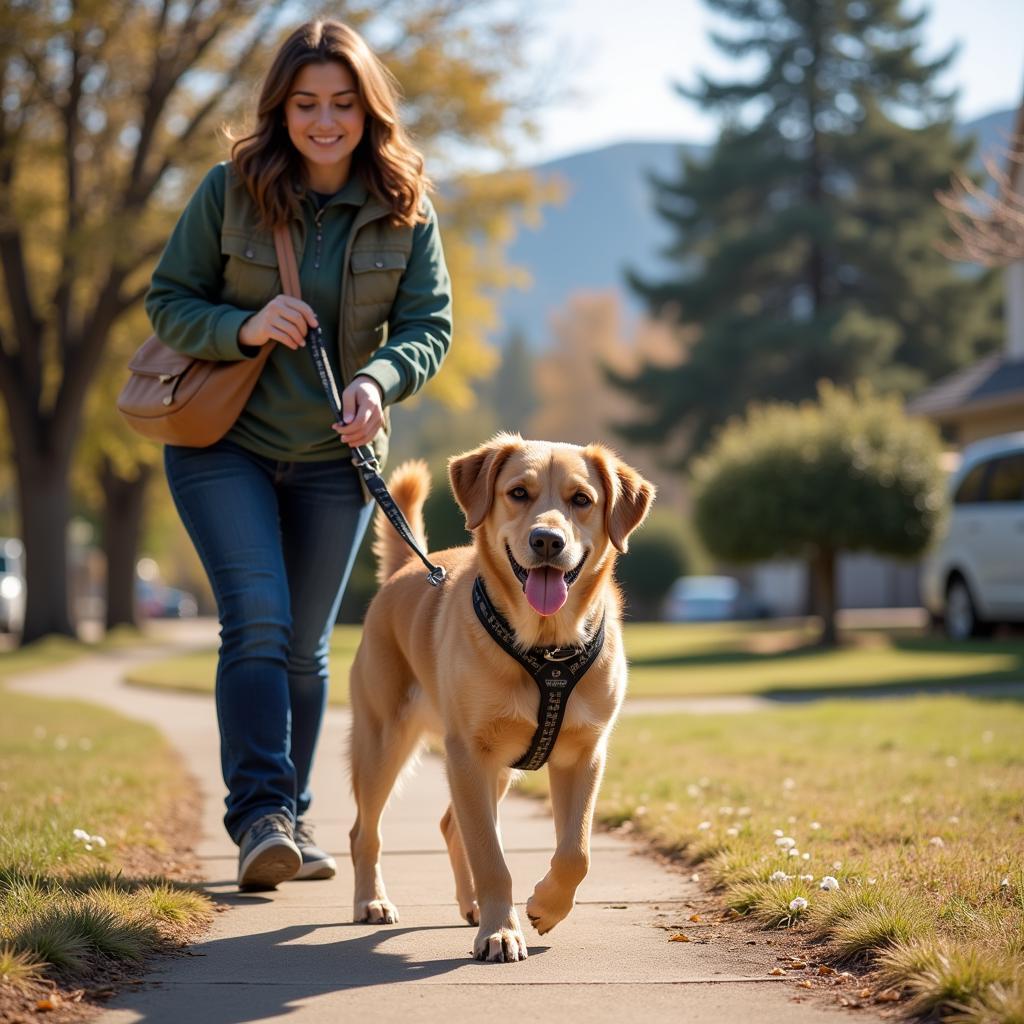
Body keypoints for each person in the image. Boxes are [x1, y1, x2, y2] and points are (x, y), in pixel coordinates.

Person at [145, 18, 452, 892]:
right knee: (257, 618)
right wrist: (242, 325)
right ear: (280, 109)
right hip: (223, 444)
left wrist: (381, 382)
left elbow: (430, 326)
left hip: (336, 457)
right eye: (306, 103)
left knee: (306, 648)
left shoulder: (405, 203)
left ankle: (294, 815)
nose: (324, 122)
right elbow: (168, 300)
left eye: (343, 105)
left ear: (368, 110)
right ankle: (263, 819)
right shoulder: (228, 190)